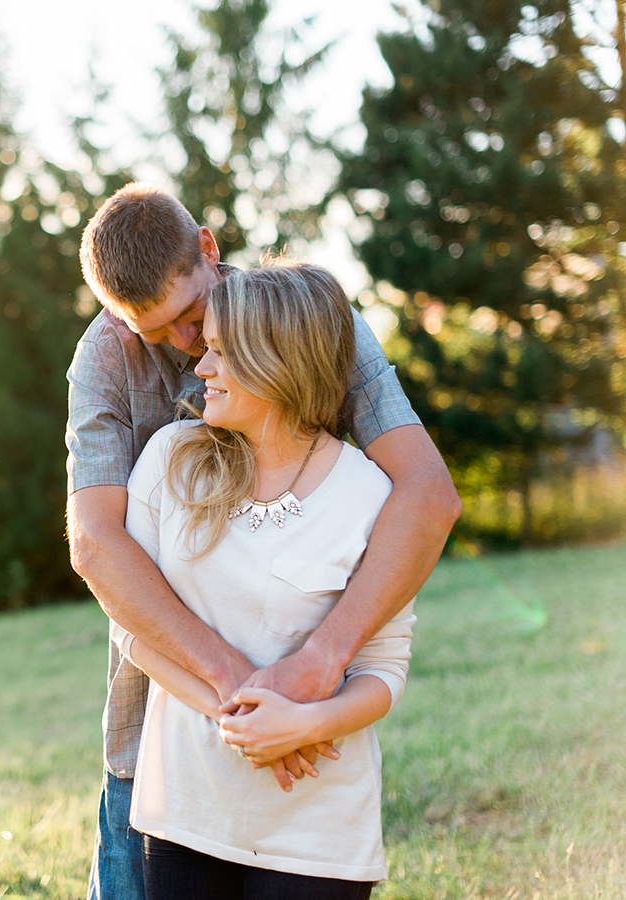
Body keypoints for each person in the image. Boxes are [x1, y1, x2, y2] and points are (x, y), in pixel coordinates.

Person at [65, 183, 461, 900]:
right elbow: (96, 546)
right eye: (157, 333)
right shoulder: (107, 356)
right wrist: (238, 692)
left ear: (209, 250)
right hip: (162, 731)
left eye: (191, 318)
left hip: (309, 738)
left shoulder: (303, 319)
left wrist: (316, 666)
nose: (187, 350)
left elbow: (427, 495)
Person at [114, 260, 416, 898]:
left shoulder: (369, 495)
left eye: (222, 351)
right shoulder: (170, 461)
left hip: (319, 831)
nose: (201, 367)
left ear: (277, 361)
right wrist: (240, 714)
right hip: (184, 814)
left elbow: (384, 671)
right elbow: (134, 631)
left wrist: (305, 727)